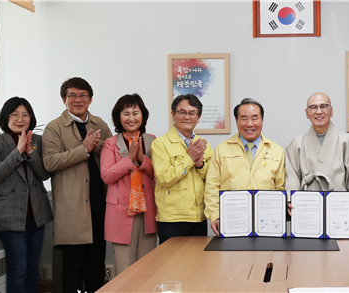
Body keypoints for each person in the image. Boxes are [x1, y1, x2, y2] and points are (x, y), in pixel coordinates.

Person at [43, 77, 113, 293]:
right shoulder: (54, 127)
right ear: (64, 99)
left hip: (99, 204)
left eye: (83, 95)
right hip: (72, 207)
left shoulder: (99, 124)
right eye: (72, 95)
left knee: (96, 264)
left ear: (90, 99)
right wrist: (83, 150)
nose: (78, 99)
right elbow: (50, 162)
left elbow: (114, 156)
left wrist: (97, 146)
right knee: (73, 267)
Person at [0, 97, 52, 293]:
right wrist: (18, 151)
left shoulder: (37, 140)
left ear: (31, 118)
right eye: (14, 114)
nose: (20, 119)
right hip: (9, 214)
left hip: (36, 213)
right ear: (6, 117)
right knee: (19, 269)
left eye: (25, 114)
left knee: (33, 269)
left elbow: (44, 174)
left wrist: (30, 153)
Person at [204, 98, 285, 235]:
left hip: (266, 223)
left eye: (254, 118)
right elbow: (212, 186)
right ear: (236, 121)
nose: (250, 124)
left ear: (262, 120)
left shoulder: (276, 150)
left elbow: (280, 188)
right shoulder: (221, 150)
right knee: (231, 256)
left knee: (265, 256)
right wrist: (214, 215)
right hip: (231, 221)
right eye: (244, 118)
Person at [285, 92, 349, 220]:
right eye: (313, 107)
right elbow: (291, 177)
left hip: (340, 210)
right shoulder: (296, 144)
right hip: (307, 210)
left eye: (323, 106)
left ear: (331, 111)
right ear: (307, 113)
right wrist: (291, 199)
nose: (319, 111)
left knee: (341, 240)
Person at [100, 94, 157, 275]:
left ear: (143, 115)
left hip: (148, 209)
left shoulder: (152, 140)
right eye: (126, 113)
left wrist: (141, 159)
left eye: (135, 113)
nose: (131, 118)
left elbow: (159, 173)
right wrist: (129, 159)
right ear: (119, 117)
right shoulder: (110, 144)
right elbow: (107, 176)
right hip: (121, 211)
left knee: (147, 266)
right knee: (125, 267)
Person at [151, 94, 213, 243]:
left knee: (198, 264)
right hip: (172, 219)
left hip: (198, 217)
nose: (187, 117)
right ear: (173, 114)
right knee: (172, 265)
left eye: (192, 113)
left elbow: (212, 178)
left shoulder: (203, 144)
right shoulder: (160, 144)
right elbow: (163, 177)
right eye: (182, 112)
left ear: (198, 117)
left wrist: (200, 165)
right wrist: (189, 158)